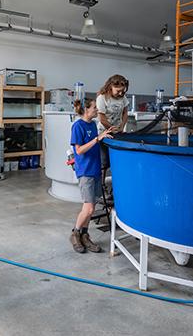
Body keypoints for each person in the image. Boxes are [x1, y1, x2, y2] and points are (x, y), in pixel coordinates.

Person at [70, 98, 114, 253]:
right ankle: (75, 233)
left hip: (95, 170)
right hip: (85, 172)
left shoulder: (93, 125)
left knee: (92, 206)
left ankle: (84, 235)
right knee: (88, 209)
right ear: (86, 110)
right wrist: (98, 138)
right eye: (95, 108)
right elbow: (79, 150)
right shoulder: (78, 126)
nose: (97, 110)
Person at [96, 74, 129, 168]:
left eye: (123, 91)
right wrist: (111, 129)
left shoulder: (123, 97)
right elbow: (101, 118)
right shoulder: (102, 98)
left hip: (117, 132)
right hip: (104, 132)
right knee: (104, 160)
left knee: (116, 159)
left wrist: (122, 127)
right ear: (111, 86)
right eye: (118, 91)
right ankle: (102, 182)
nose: (121, 93)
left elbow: (125, 113)